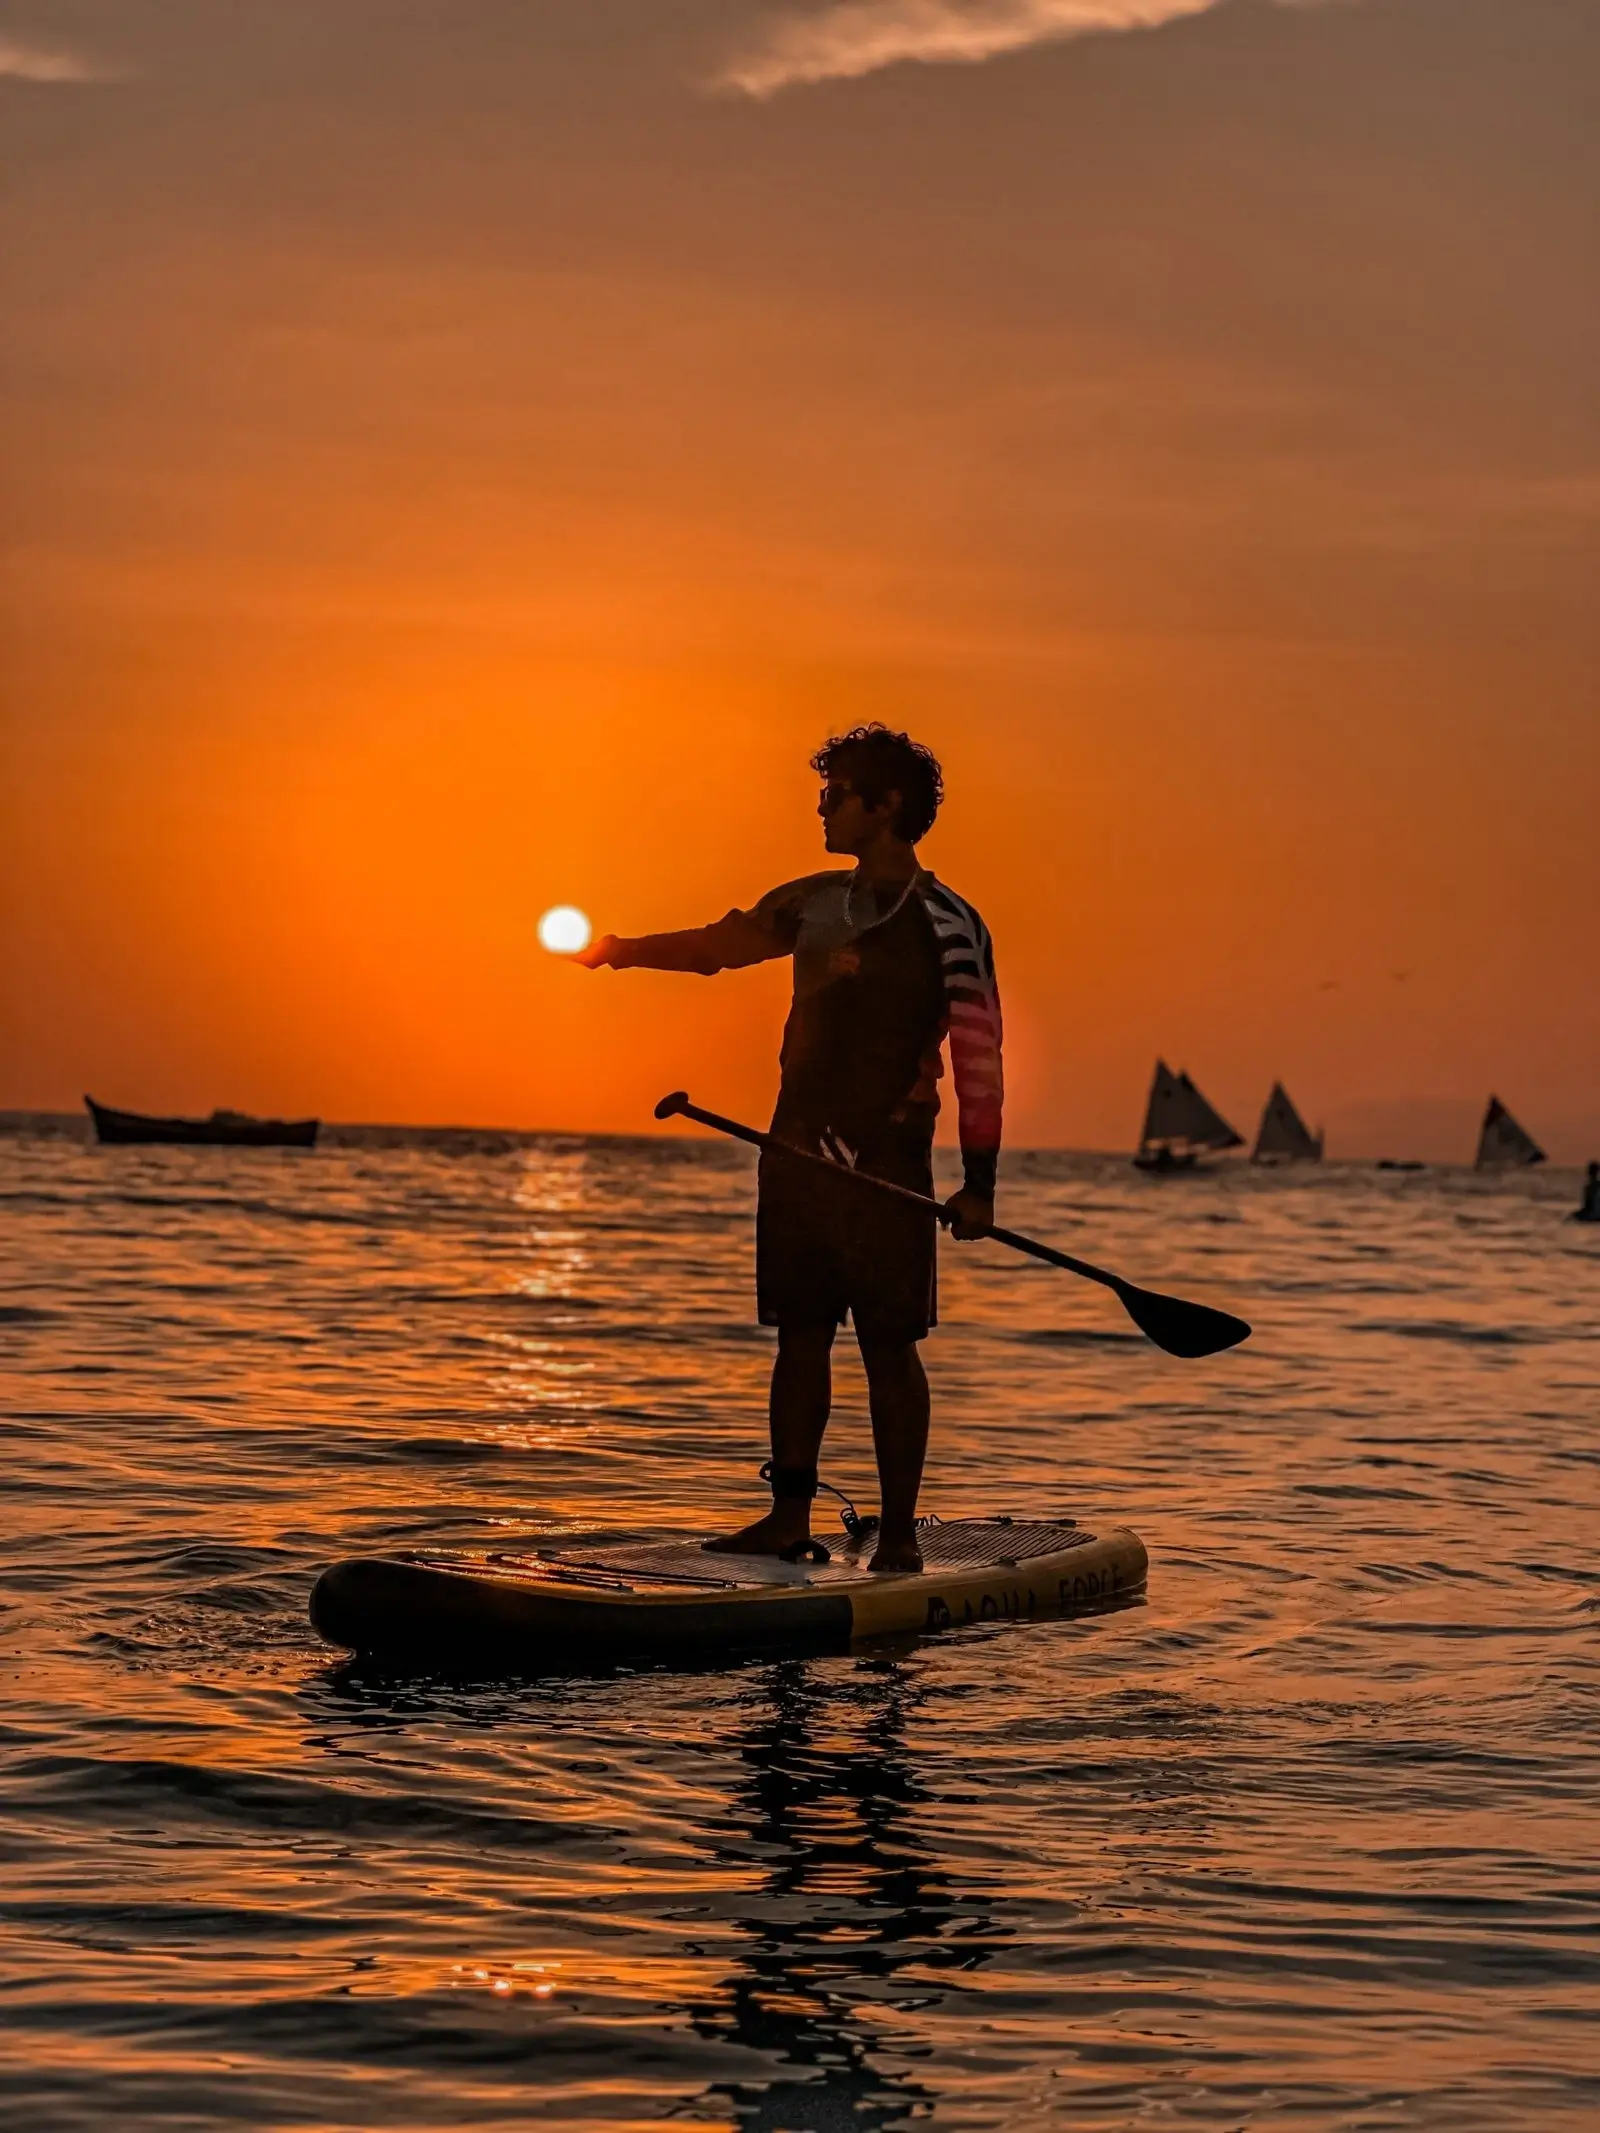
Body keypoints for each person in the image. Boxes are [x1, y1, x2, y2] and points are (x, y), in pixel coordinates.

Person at [576, 724, 1002, 1573]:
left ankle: (902, 1538)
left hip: (890, 1167)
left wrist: (979, 1185)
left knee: (889, 1343)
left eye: (835, 793)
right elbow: (716, 949)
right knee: (799, 1334)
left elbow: (979, 1057)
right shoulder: (809, 902)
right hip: (797, 1154)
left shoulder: (949, 923)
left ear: (884, 807)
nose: (821, 806)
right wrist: (621, 952)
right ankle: (787, 1516)